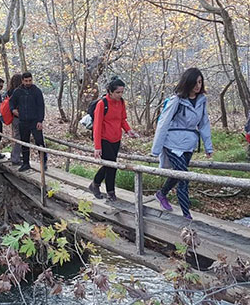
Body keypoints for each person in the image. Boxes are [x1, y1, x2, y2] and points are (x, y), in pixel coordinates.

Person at [151, 68, 213, 220]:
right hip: (172, 143)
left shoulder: (201, 101)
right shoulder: (176, 100)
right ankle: (187, 215)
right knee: (183, 176)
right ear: (187, 83)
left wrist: (208, 146)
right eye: (195, 82)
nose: (198, 86)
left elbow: (204, 124)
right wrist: (156, 149)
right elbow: (163, 123)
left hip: (189, 144)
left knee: (179, 174)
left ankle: (161, 194)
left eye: (200, 82)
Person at [88, 78, 138, 201]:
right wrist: (97, 147)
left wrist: (128, 130)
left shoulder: (121, 102)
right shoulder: (102, 104)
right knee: (111, 166)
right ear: (110, 91)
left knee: (109, 165)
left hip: (116, 138)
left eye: (122, 92)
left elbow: (122, 120)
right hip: (105, 138)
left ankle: (95, 184)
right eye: (117, 92)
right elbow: (97, 126)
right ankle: (110, 192)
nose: (120, 95)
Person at [9, 72, 46, 172]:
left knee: (39, 142)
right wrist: (13, 110)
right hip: (23, 121)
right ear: (22, 81)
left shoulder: (36, 91)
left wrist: (40, 121)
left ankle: (44, 162)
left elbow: (41, 106)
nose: (28, 82)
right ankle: (26, 163)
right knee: (24, 143)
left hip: (35, 121)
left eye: (30, 80)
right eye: (26, 81)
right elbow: (11, 102)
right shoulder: (18, 91)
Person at [6, 74, 23, 165]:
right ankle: (15, 158)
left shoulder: (9, 91)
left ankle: (16, 155)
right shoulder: (17, 92)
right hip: (18, 117)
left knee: (17, 136)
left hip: (14, 118)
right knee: (18, 138)